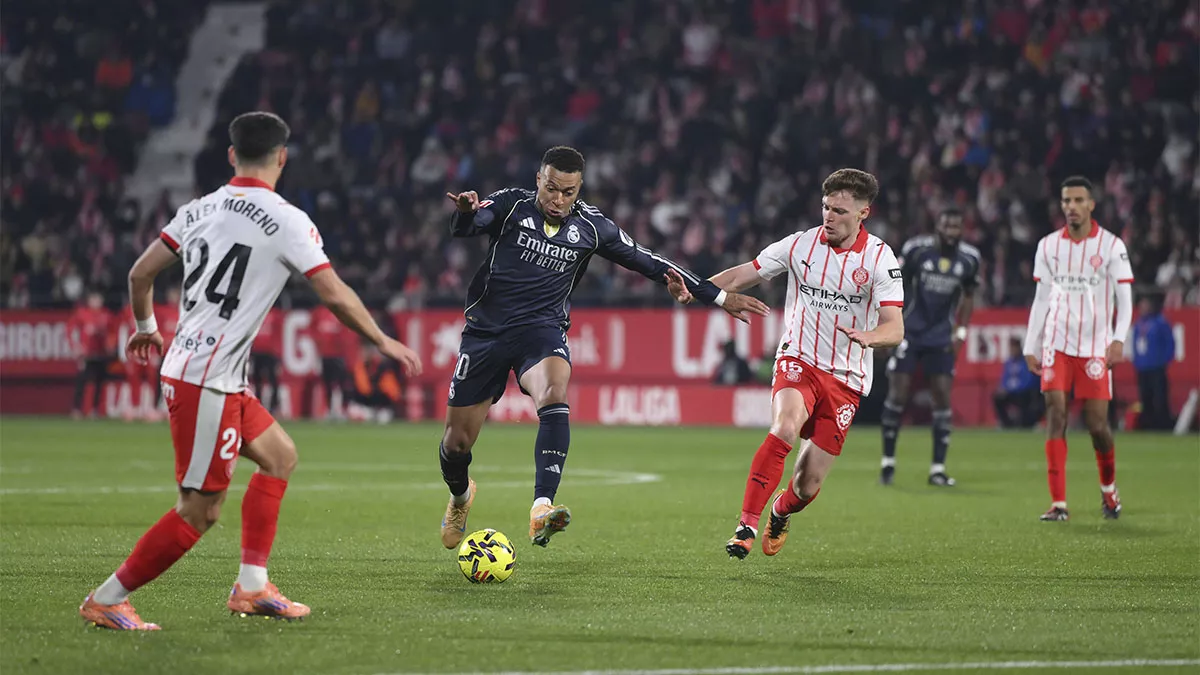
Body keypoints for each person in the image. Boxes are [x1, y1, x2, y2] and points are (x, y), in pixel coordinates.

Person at [78, 111, 421, 631]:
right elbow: (331, 291)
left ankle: (253, 586)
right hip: (205, 379)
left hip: (210, 370)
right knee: (199, 511)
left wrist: (147, 325)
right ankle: (108, 597)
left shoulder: (197, 209)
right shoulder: (287, 219)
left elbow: (140, 272)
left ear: (232, 155)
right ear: (282, 157)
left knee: (279, 456)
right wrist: (380, 338)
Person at [440, 145, 769, 550]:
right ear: (538, 181)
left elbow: (651, 261)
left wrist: (717, 297)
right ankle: (460, 497)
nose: (559, 200)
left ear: (580, 189)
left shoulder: (592, 228)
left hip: (541, 332)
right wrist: (469, 212)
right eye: (552, 189)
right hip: (486, 334)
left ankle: (541, 508)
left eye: (569, 192)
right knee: (456, 445)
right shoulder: (511, 206)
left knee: (555, 391)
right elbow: (471, 223)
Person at [671, 168, 905, 559]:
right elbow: (744, 274)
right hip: (799, 359)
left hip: (846, 377)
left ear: (864, 212)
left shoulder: (880, 259)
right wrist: (695, 290)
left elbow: (895, 328)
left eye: (840, 211)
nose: (829, 217)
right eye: (826, 207)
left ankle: (780, 511)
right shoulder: (800, 246)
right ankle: (745, 525)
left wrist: (870, 337)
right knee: (784, 426)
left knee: (806, 486)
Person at [1023, 176, 1133, 522]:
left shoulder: (1112, 246)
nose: (1070, 206)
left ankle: (1109, 490)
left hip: (1096, 346)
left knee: (1097, 425)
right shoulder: (1047, 246)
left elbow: (1125, 300)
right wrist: (1032, 344)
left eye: (1077, 200)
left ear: (1091, 205)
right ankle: (1059, 504)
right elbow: (1041, 299)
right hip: (1057, 343)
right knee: (1056, 414)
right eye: (1066, 200)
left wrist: (1118, 340)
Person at [879, 208, 980, 486]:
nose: (951, 231)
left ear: (962, 230)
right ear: (938, 226)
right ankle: (887, 464)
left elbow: (969, 295)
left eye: (956, 227)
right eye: (947, 226)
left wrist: (960, 332)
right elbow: (892, 284)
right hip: (908, 332)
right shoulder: (916, 250)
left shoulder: (970, 259)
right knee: (897, 394)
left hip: (941, 337)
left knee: (943, 397)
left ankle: (937, 469)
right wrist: (888, 325)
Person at [1131, 294, 1176, 430]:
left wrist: (1164, 360)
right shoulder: (1138, 324)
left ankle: (1163, 425)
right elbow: (1134, 344)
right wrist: (1137, 362)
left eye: (1145, 305)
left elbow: (1170, 343)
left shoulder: (1160, 322)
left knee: (1160, 397)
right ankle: (1148, 425)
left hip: (1157, 367)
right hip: (1142, 368)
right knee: (1145, 397)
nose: (1143, 308)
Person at [69, 291, 114, 419]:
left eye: (98, 299)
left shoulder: (106, 315)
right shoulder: (81, 314)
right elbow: (72, 331)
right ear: (89, 300)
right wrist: (77, 348)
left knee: (99, 381)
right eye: (94, 299)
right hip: (86, 354)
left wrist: (109, 345)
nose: (96, 302)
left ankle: (94, 409)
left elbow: (112, 333)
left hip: (100, 353)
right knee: (81, 381)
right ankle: (77, 409)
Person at [993, 337, 1042, 428]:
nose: (1012, 350)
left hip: (1023, 392)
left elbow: (1028, 381)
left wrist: (1014, 389)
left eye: (1014, 347)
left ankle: (1026, 422)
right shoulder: (1008, 362)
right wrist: (1004, 388)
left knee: (1026, 399)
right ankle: (1006, 423)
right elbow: (1005, 379)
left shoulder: (1025, 362)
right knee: (998, 398)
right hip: (1010, 392)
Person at [251, 304, 283, 413]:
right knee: (257, 380)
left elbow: (279, 335)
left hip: (270, 352)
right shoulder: (256, 313)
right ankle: (257, 404)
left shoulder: (275, 314)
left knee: (273, 380)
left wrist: (278, 353)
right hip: (257, 351)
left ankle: (274, 405)